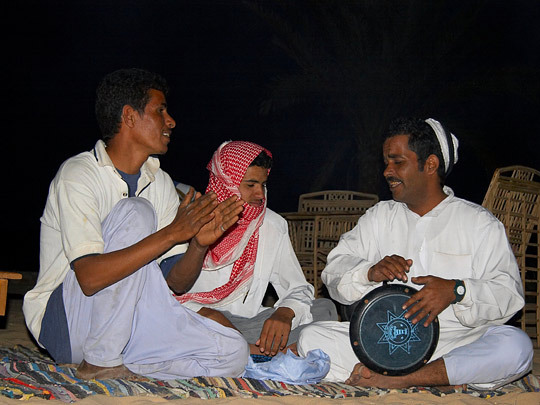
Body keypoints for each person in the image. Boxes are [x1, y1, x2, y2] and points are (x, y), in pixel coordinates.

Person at [23, 68, 250, 381]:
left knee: (233, 352)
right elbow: (89, 278)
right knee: (137, 211)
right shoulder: (78, 174)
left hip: (128, 325)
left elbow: (175, 283)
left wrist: (198, 245)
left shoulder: (160, 182)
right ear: (129, 116)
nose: (171, 121)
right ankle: (101, 361)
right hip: (68, 324)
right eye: (160, 111)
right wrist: (172, 233)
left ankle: (125, 362)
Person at [297, 117, 533, 389]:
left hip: (455, 341)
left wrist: (457, 291)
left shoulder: (479, 223)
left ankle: (402, 380)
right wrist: (369, 272)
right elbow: (334, 270)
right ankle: (444, 378)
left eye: (397, 162)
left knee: (516, 346)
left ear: (430, 165)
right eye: (386, 163)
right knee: (311, 338)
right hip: (383, 342)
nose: (387, 171)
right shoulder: (379, 217)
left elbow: (509, 294)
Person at [173, 141, 338, 356]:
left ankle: (250, 352)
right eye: (250, 185)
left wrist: (285, 313)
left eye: (263, 184)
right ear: (226, 183)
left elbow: (297, 287)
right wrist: (210, 316)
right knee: (184, 324)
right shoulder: (191, 220)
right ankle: (264, 353)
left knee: (324, 309)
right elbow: (165, 293)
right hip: (197, 321)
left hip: (248, 326)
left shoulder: (271, 224)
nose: (260, 194)